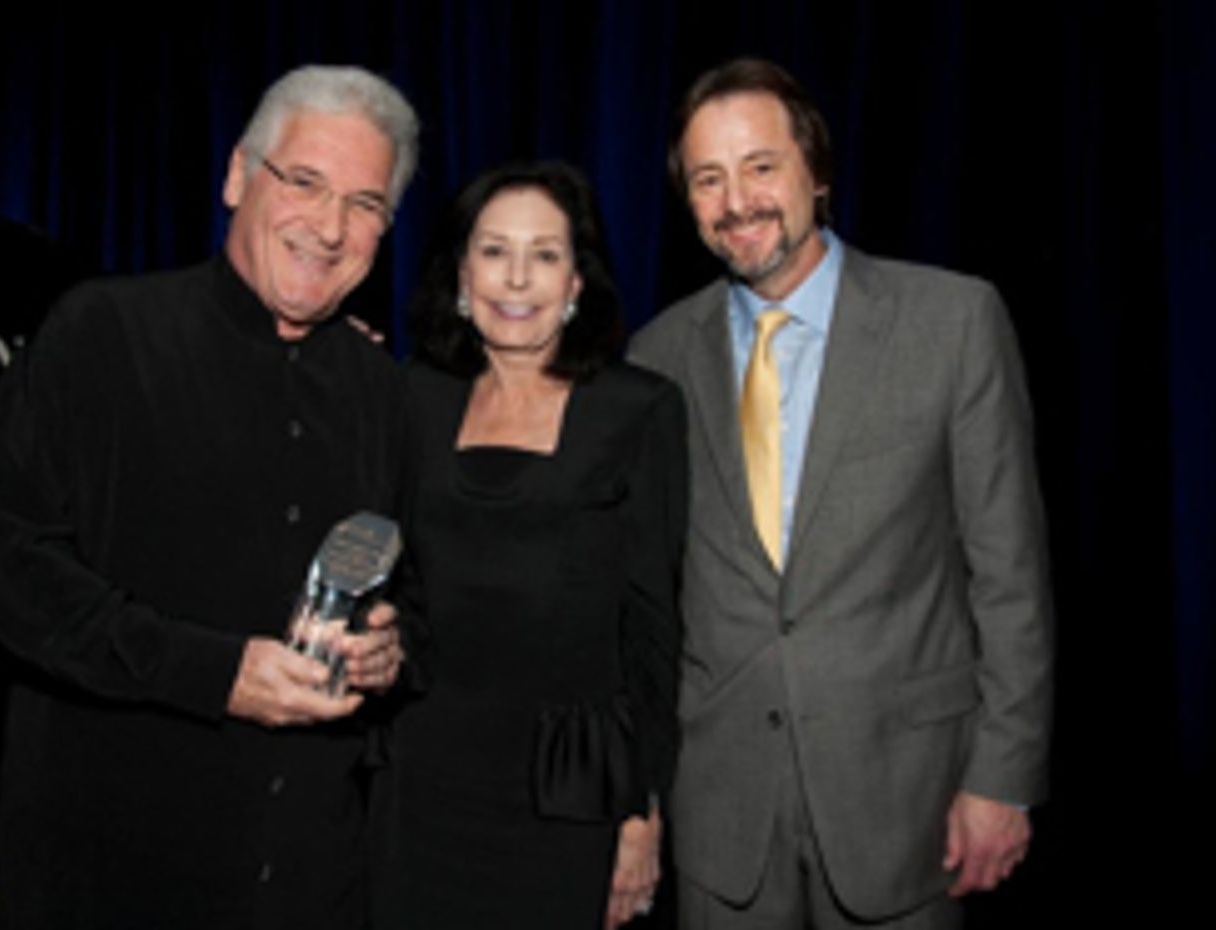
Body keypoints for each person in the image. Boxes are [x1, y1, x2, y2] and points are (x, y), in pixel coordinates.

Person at [0, 65, 418, 930]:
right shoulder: (101, 334)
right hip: (114, 874)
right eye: (305, 182)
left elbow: (401, 587)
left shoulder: (380, 391)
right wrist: (215, 674)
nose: (330, 226)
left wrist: (390, 651)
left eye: (365, 204)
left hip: (311, 880)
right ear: (238, 176)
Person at [628, 59, 1054, 929]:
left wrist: (1003, 777)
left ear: (817, 174)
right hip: (722, 820)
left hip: (908, 807)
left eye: (760, 166)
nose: (736, 199)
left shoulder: (953, 322)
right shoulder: (656, 358)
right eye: (708, 179)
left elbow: (1009, 575)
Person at [371, 162, 687, 930]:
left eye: (545, 254)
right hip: (419, 782)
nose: (517, 279)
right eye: (493, 251)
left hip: (570, 795)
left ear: (578, 281)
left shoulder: (638, 409)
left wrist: (640, 812)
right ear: (459, 272)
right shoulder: (411, 395)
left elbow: (652, 629)